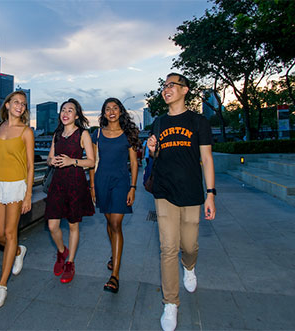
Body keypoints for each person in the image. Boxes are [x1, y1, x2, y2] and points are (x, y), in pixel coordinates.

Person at [146, 73, 216, 331]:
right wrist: (153, 149)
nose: (166, 89)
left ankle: (190, 266)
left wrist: (211, 194)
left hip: (191, 193)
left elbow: (207, 159)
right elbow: (156, 156)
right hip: (164, 191)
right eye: (163, 86)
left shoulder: (199, 122)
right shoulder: (158, 122)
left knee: (189, 245)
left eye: (171, 85)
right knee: (167, 248)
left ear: (185, 90)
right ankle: (171, 303)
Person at [0, 90, 35, 309]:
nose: (19, 106)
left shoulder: (26, 131)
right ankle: (19, 251)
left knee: (10, 233)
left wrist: (28, 195)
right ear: (7, 105)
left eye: (23, 104)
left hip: (16, 185)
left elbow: (31, 166)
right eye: (16, 102)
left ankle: (1, 286)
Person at [89, 97, 140, 294]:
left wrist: (133, 187)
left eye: (115, 108)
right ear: (103, 113)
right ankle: (114, 254)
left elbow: (134, 163)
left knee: (116, 223)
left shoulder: (128, 134)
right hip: (102, 181)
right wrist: (92, 186)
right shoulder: (98, 134)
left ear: (121, 112)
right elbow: (93, 162)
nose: (111, 111)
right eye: (107, 108)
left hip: (121, 182)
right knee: (109, 222)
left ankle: (115, 276)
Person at [45, 98, 96, 283]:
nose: (65, 113)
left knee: (74, 225)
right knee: (52, 225)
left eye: (70, 110)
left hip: (75, 182)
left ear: (76, 115)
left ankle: (70, 263)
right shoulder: (57, 134)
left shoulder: (83, 134)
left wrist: (71, 161)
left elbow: (91, 161)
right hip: (57, 183)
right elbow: (49, 159)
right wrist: (54, 161)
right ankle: (61, 251)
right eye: (63, 110)